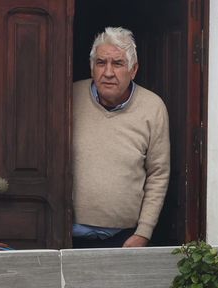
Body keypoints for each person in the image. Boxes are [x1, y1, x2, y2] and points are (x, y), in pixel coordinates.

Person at [72, 27, 171, 249]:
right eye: (100, 63)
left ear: (133, 70)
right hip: (65, 235)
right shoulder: (69, 97)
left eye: (117, 64)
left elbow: (159, 174)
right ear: (91, 67)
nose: (108, 72)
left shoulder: (152, 107)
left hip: (124, 240)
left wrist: (143, 233)